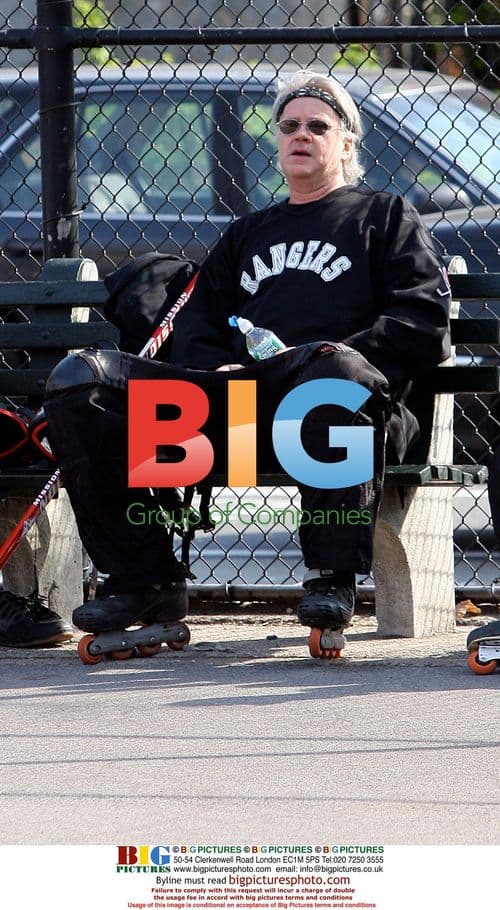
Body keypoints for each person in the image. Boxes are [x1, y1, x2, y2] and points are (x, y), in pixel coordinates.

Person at [43, 69, 451, 639]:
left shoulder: (384, 217)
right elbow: (198, 323)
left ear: (346, 143)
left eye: (317, 126)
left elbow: (423, 323)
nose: (300, 134)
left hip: (339, 412)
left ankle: (331, 578)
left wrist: (331, 357)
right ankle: (143, 579)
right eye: (289, 126)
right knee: (80, 381)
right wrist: (216, 368)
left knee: (332, 371)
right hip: (238, 423)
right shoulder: (247, 233)